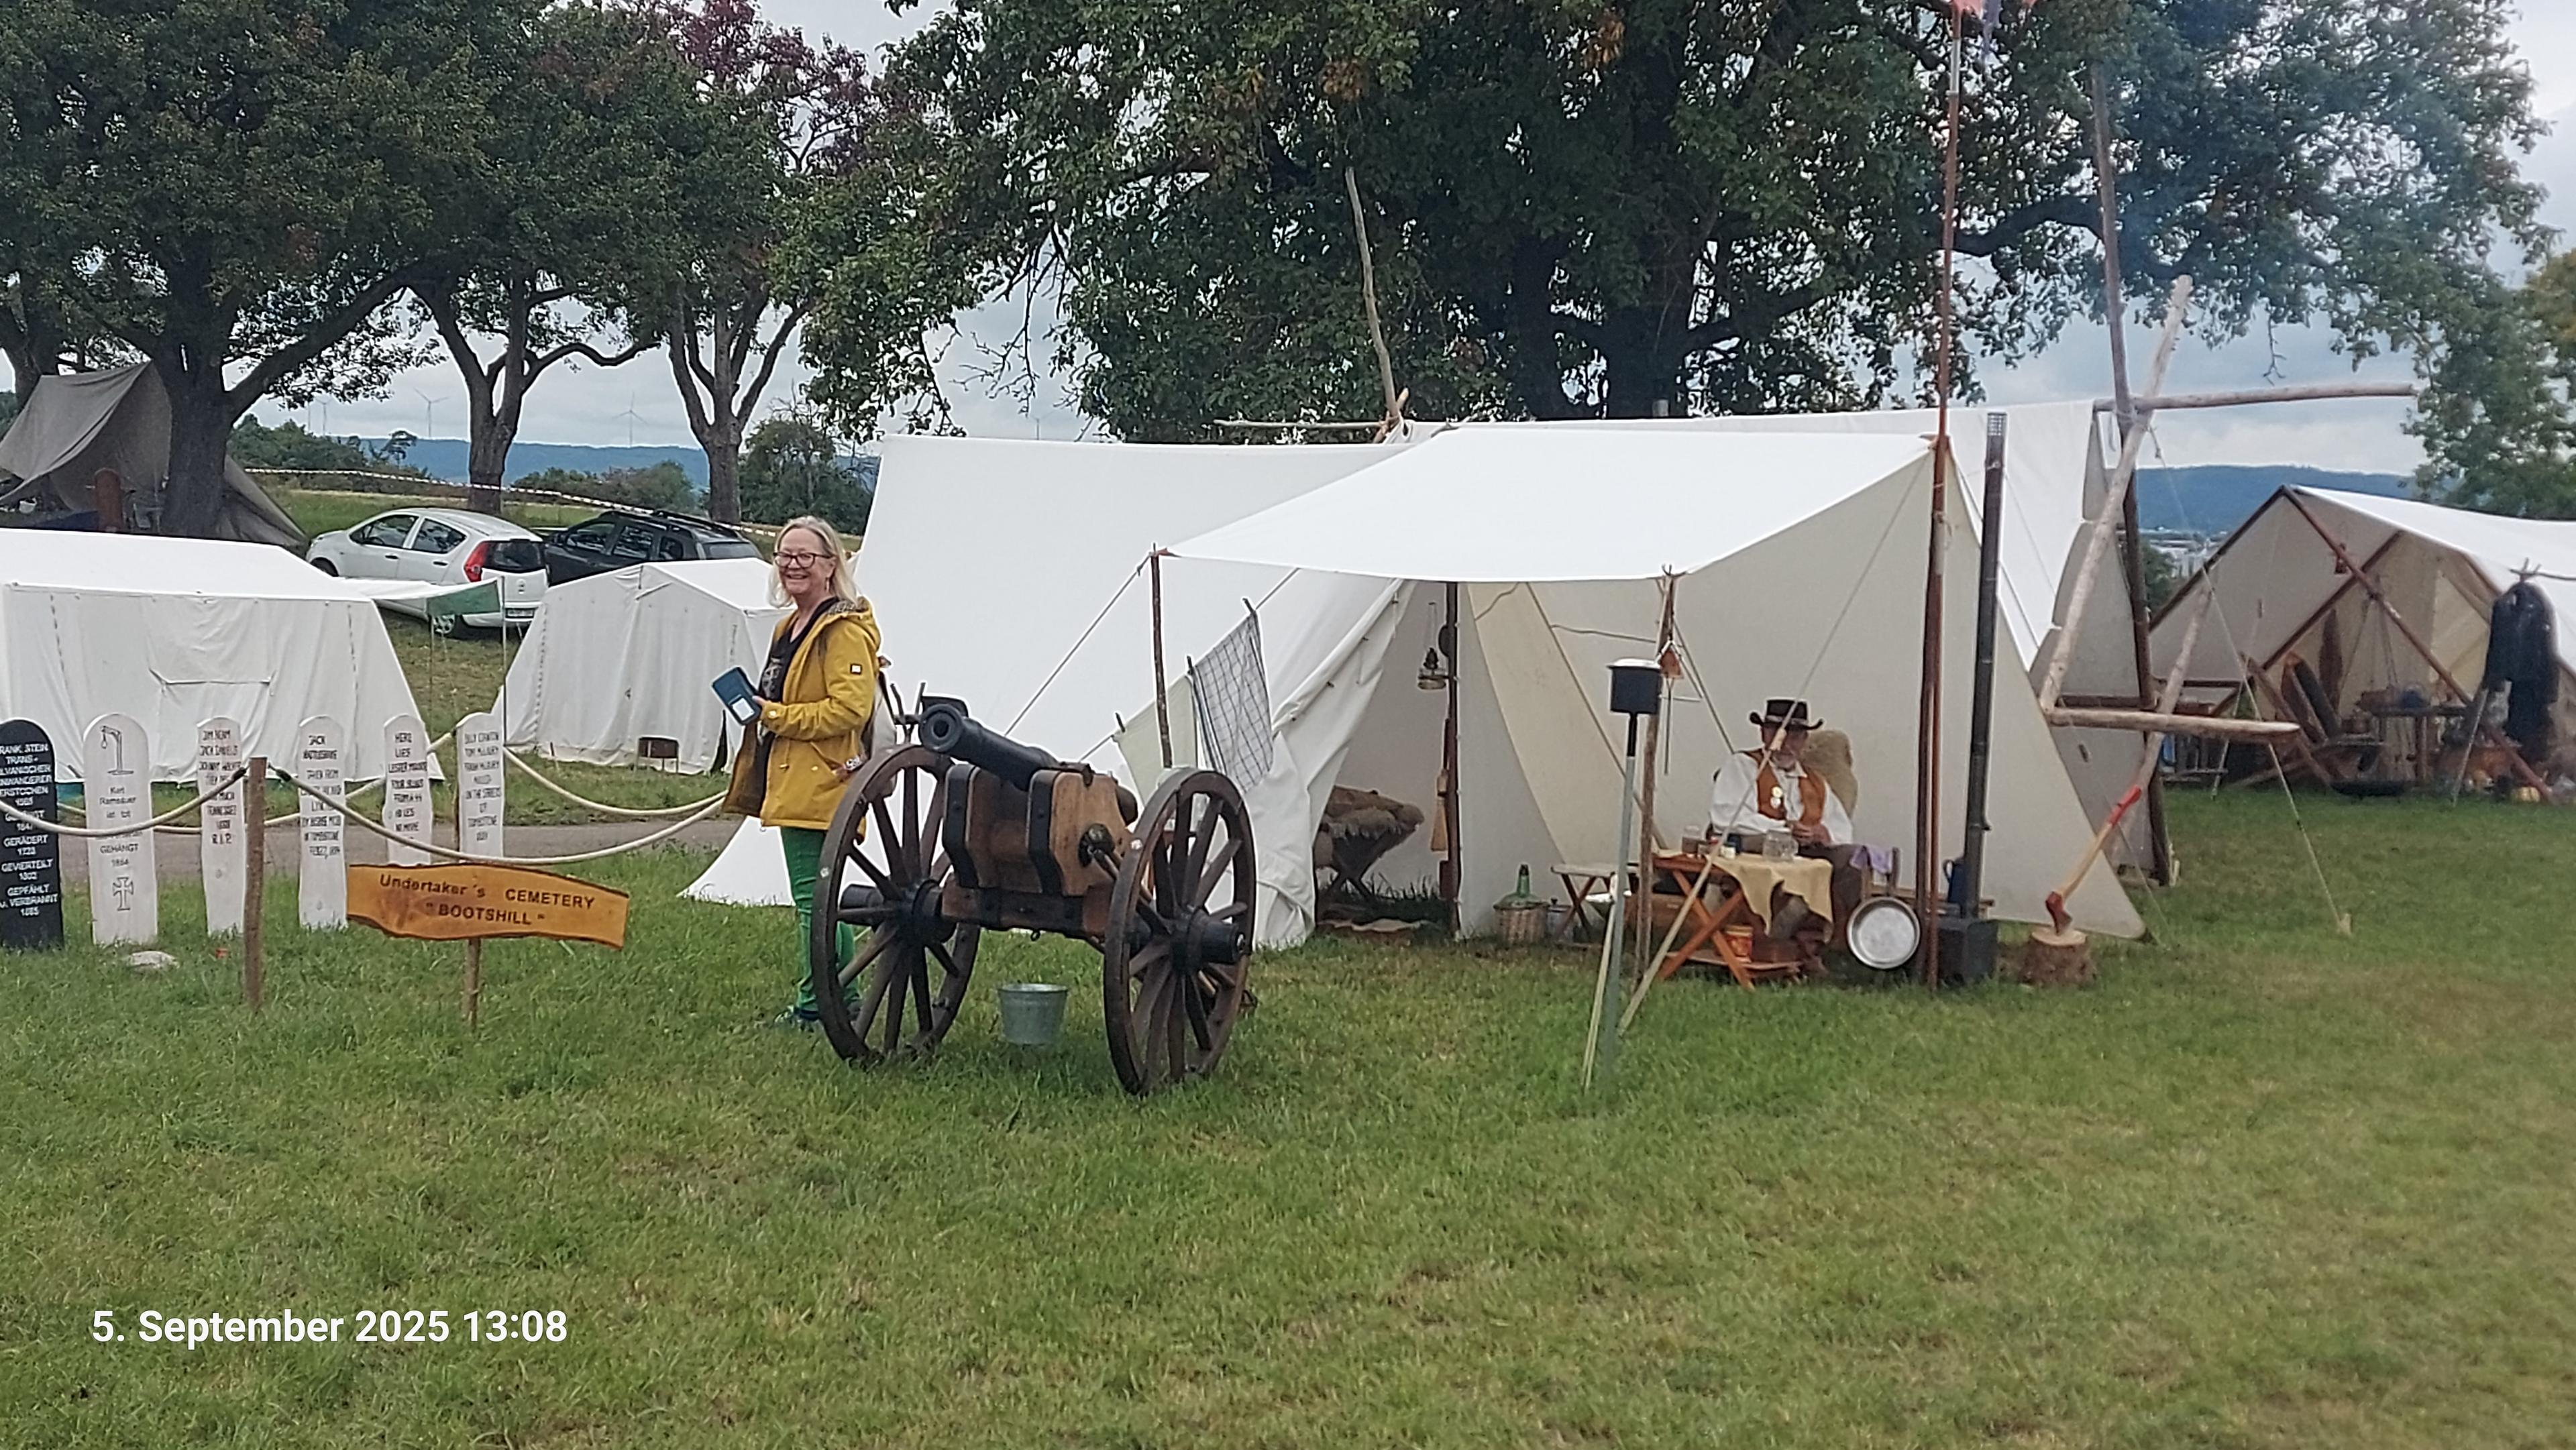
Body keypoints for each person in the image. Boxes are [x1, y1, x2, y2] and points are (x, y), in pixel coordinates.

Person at [722, 516, 879, 1028]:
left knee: (815, 901)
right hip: (794, 776)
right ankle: (840, 996)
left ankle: (818, 1006)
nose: (792, 565)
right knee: (817, 898)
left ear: (831, 565)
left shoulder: (843, 631)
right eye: (785, 555)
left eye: (805, 556)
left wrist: (774, 715)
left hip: (826, 778)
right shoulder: (788, 626)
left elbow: (849, 710)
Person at [1708, 698, 1864, 939]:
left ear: (1804, 740)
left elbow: (1842, 830)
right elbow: (1727, 816)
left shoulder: (1816, 781)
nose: (1785, 744)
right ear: (1764, 734)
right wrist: (1783, 829)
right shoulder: (1743, 766)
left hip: (1807, 852)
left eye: (1794, 737)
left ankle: (1827, 936)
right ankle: (1780, 931)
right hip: (1759, 846)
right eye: (1778, 735)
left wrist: (1823, 833)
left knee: (1854, 858)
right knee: (1778, 845)